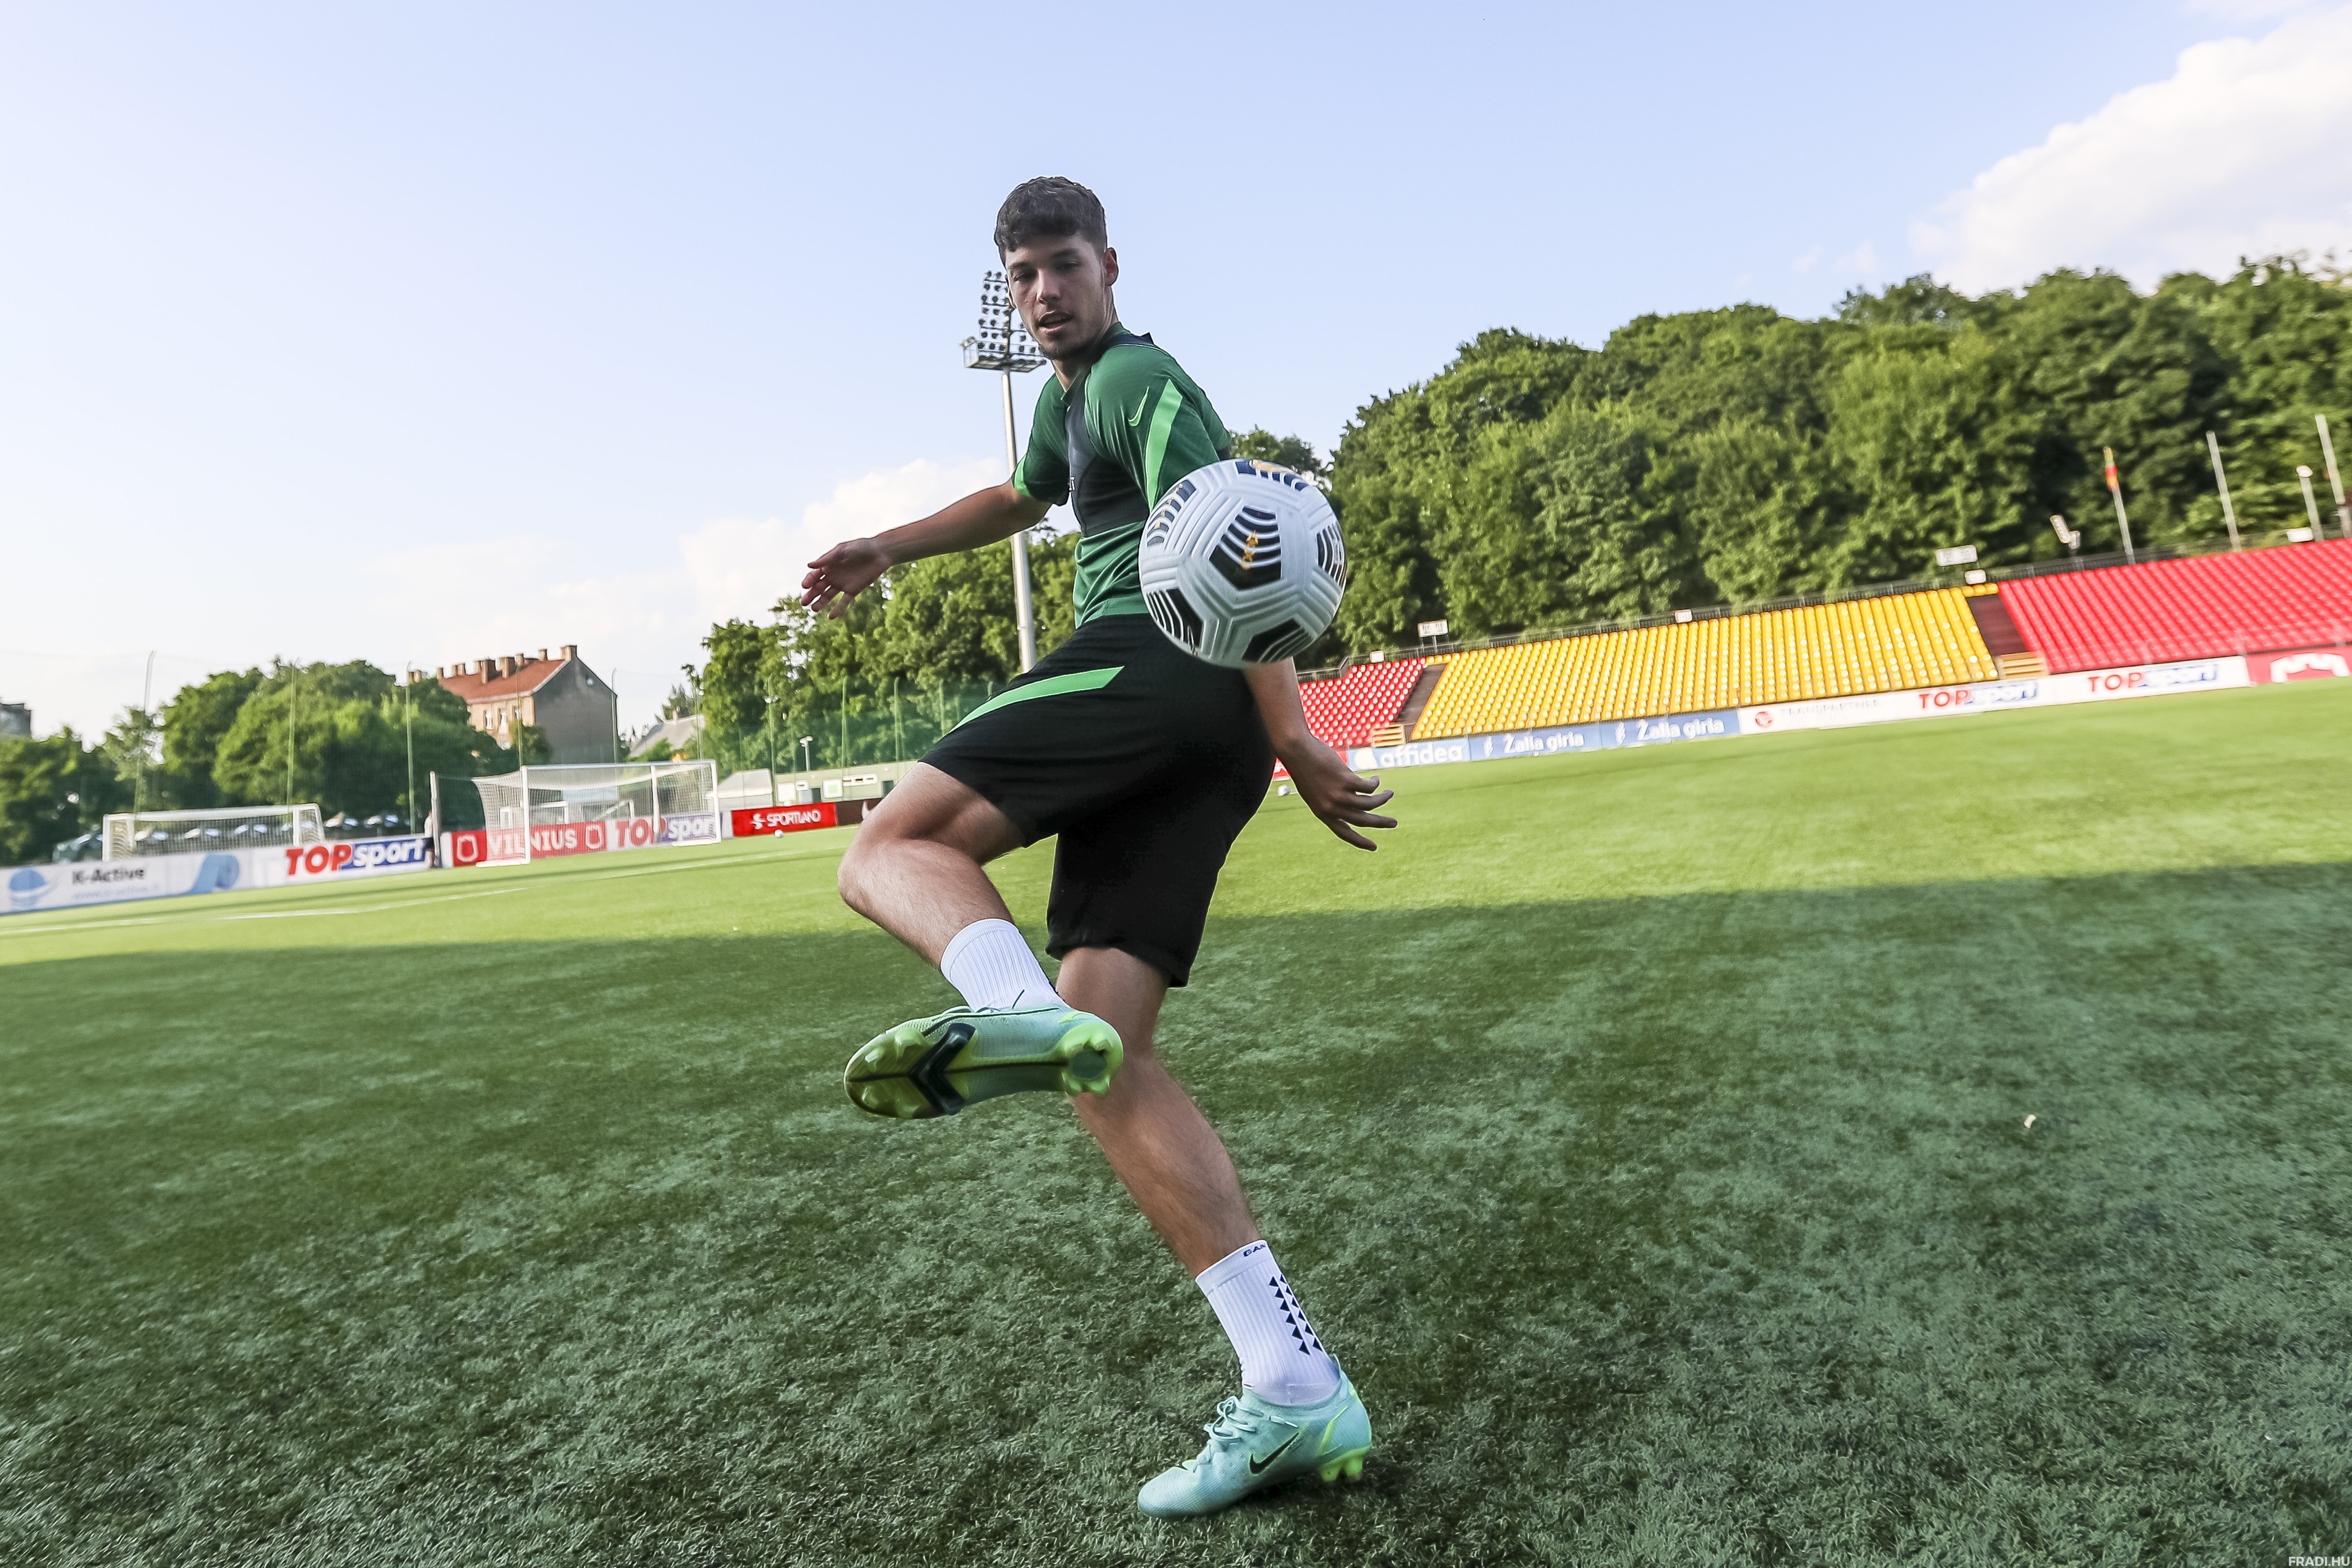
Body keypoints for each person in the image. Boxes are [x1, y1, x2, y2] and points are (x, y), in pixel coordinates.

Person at [799, 176, 1397, 1517]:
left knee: (890, 848)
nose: (1043, 293)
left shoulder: (1135, 377)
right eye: (1022, 276)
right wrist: (888, 546)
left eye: (1062, 265)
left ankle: (1006, 1010)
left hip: (1158, 656)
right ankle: (1295, 1383)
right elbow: (1020, 498)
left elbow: (1244, 538)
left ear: (1110, 265)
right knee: (1107, 1053)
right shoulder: (1070, 407)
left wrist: (1296, 732)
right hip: (1203, 729)